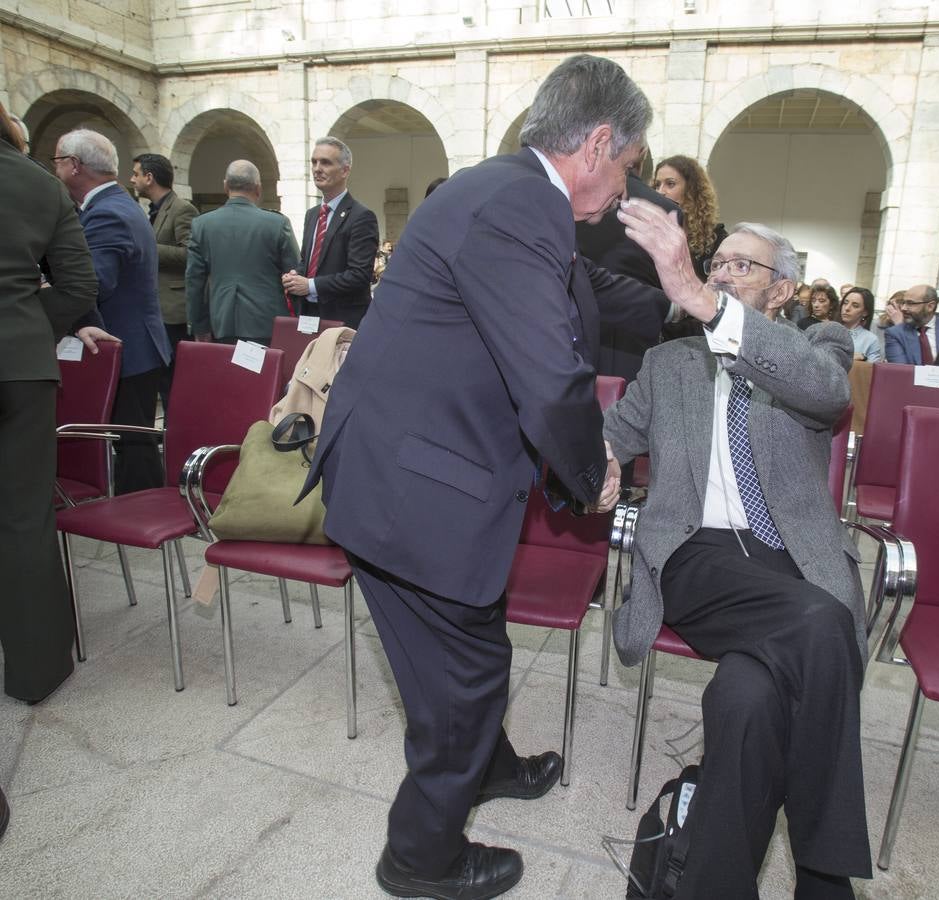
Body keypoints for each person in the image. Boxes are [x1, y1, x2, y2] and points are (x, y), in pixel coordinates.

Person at [301, 55, 668, 900]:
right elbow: (551, 375)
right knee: (462, 681)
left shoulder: (509, 190)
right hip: (415, 488)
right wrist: (594, 471)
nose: (624, 188)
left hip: (412, 471)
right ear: (600, 141)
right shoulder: (517, 203)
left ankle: (489, 767)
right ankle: (419, 858)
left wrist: (684, 298)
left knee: (470, 642)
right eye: (628, 166)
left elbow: (584, 287)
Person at [607, 207, 873, 898]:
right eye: (715, 263)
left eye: (740, 266)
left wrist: (707, 301)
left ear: (781, 290)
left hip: (794, 561)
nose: (721, 273)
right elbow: (607, 440)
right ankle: (824, 876)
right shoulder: (667, 363)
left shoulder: (822, 345)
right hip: (699, 557)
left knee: (746, 697)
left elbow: (826, 393)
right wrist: (584, 460)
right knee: (823, 624)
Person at [1, 102, 98, 706]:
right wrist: (25, 327)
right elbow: (79, 285)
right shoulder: (40, 182)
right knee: (24, 516)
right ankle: (37, 670)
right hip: (22, 370)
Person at [55, 128, 171, 495]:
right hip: (134, 342)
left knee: (132, 444)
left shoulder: (107, 213)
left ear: (74, 166)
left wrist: (46, 287)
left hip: (125, 345)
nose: (54, 168)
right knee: (132, 440)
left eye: (57, 161)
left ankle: (143, 516)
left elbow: (92, 284)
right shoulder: (116, 205)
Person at [576, 173, 680, 381]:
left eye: (671, 183)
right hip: (634, 341)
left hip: (574, 342)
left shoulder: (573, 196)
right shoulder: (664, 210)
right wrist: (676, 306)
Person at [185, 160, 299, 346]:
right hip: (267, 322)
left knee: (228, 375)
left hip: (221, 321)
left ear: (225, 186)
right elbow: (294, 275)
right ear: (258, 188)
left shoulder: (202, 224)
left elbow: (194, 281)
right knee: (266, 374)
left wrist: (199, 326)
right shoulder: (277, 223)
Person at [282, 136, 380, 329]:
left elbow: (359, 275)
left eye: (325, 162)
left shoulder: (361, 216)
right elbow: (308, 262)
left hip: (342, 323)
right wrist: (295, 276)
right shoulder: (312, 215)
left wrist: (309, 285)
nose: (317, 168)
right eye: (314, 162)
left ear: (345, 170)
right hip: (308, 319)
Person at [130, 152, 198, 412]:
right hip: (153, 310)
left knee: (173, 382)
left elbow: (190, 253)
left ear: (150, 177)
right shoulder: (153, 212)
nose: (132, 179)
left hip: (173, 312)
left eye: (136, 174)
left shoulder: (182, 209)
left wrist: (147, 247)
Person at [652, 154, 726, 281]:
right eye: (657, 185)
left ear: (692, 190)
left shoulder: (716, 237)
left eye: (670, 184)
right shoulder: (649, 231)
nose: (660, 192)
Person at [882, 284, 939, 365]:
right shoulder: (895, 333)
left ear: (930, 306)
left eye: (910, 303)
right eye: (904, 303)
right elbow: (900, 371)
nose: (903, 308)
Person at [840, 286, 883, 362]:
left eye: (855, 305)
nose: (847, 308)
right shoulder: (828, 330)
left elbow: (873, 369)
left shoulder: (871, 339)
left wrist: (863, 358)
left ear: (865, 312)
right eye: (845, 303)